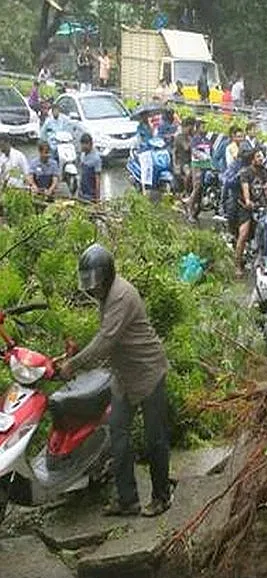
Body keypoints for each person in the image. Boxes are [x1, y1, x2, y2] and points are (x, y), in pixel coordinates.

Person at [56, 244, 171, 518]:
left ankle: (161, 497)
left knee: (155, 439)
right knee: (117, 435)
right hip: (123, 376)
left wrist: (74, 364)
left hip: (148, 372)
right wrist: (76, 352)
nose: (92, 289)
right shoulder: (106, 294)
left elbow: (106, 341)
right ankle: (127, 499)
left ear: (107, 276)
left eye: (95, 283)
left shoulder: (121, 296)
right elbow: (105, 339)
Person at [230, 149, 267, 277]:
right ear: (252, 159)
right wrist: (248, 201)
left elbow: (265, 187)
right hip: (244, 208)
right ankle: (237, 265)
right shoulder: (246, 173)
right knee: (244, 234)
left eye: (262, 156)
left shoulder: (263, 172)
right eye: (258, 157)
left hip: (259, 207)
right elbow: (245, 188)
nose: (261, 159)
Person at [182, 120, 213, 223]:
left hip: (206, 166)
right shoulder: (195, 139)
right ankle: (190, 209)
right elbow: (194, 151)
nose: (204, 128)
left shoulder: (207, 140)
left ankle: (195, 209)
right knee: (197, 187)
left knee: (202, 188)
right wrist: (203, 157)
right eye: (202, 127)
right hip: (197, 166)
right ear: (198, 128)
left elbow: (210, 152)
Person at [78, 133, 102, 202]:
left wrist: (97, 197)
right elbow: (81, 174)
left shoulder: (96, 158)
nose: (83, 146)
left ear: (90, 144)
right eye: (82, 144)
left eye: (85, 144)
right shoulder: (82, 155)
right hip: (82, 193)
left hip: (91, 194)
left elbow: (98, 179)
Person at [173, 117, 194, 194]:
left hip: (193, 161)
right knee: (189, 173)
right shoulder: (180, 137)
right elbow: (186, 147)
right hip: (184, 162)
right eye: (190, 128)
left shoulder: (190, 136)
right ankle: (186, 192)